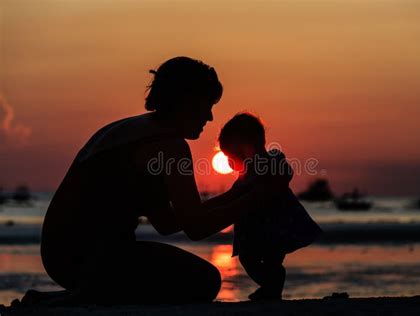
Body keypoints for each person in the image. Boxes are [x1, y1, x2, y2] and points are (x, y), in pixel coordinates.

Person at [35, 57, 271, 306]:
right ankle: (78, 298)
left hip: (61, 254)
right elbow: (196, 227)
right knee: (206, 280)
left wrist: (239, 193)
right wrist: (258, 197)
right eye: (206, 105)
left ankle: (77, 296)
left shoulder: (133, 130)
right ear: (187, 102)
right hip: (88, 257)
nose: (210, 117)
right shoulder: (169, 146)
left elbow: (167, 222)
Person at [218, 113, 323, 301]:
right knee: (252, 258)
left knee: (257, 258)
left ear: (243, 145)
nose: (228, 162)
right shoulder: (249, 170)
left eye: (229, 155)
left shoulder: (269, 161)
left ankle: (271, 285)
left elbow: (285, 173)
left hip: (274, 226)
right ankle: (270, 286)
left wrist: (269, 181)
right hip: (263, 228)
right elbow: (235, 194)